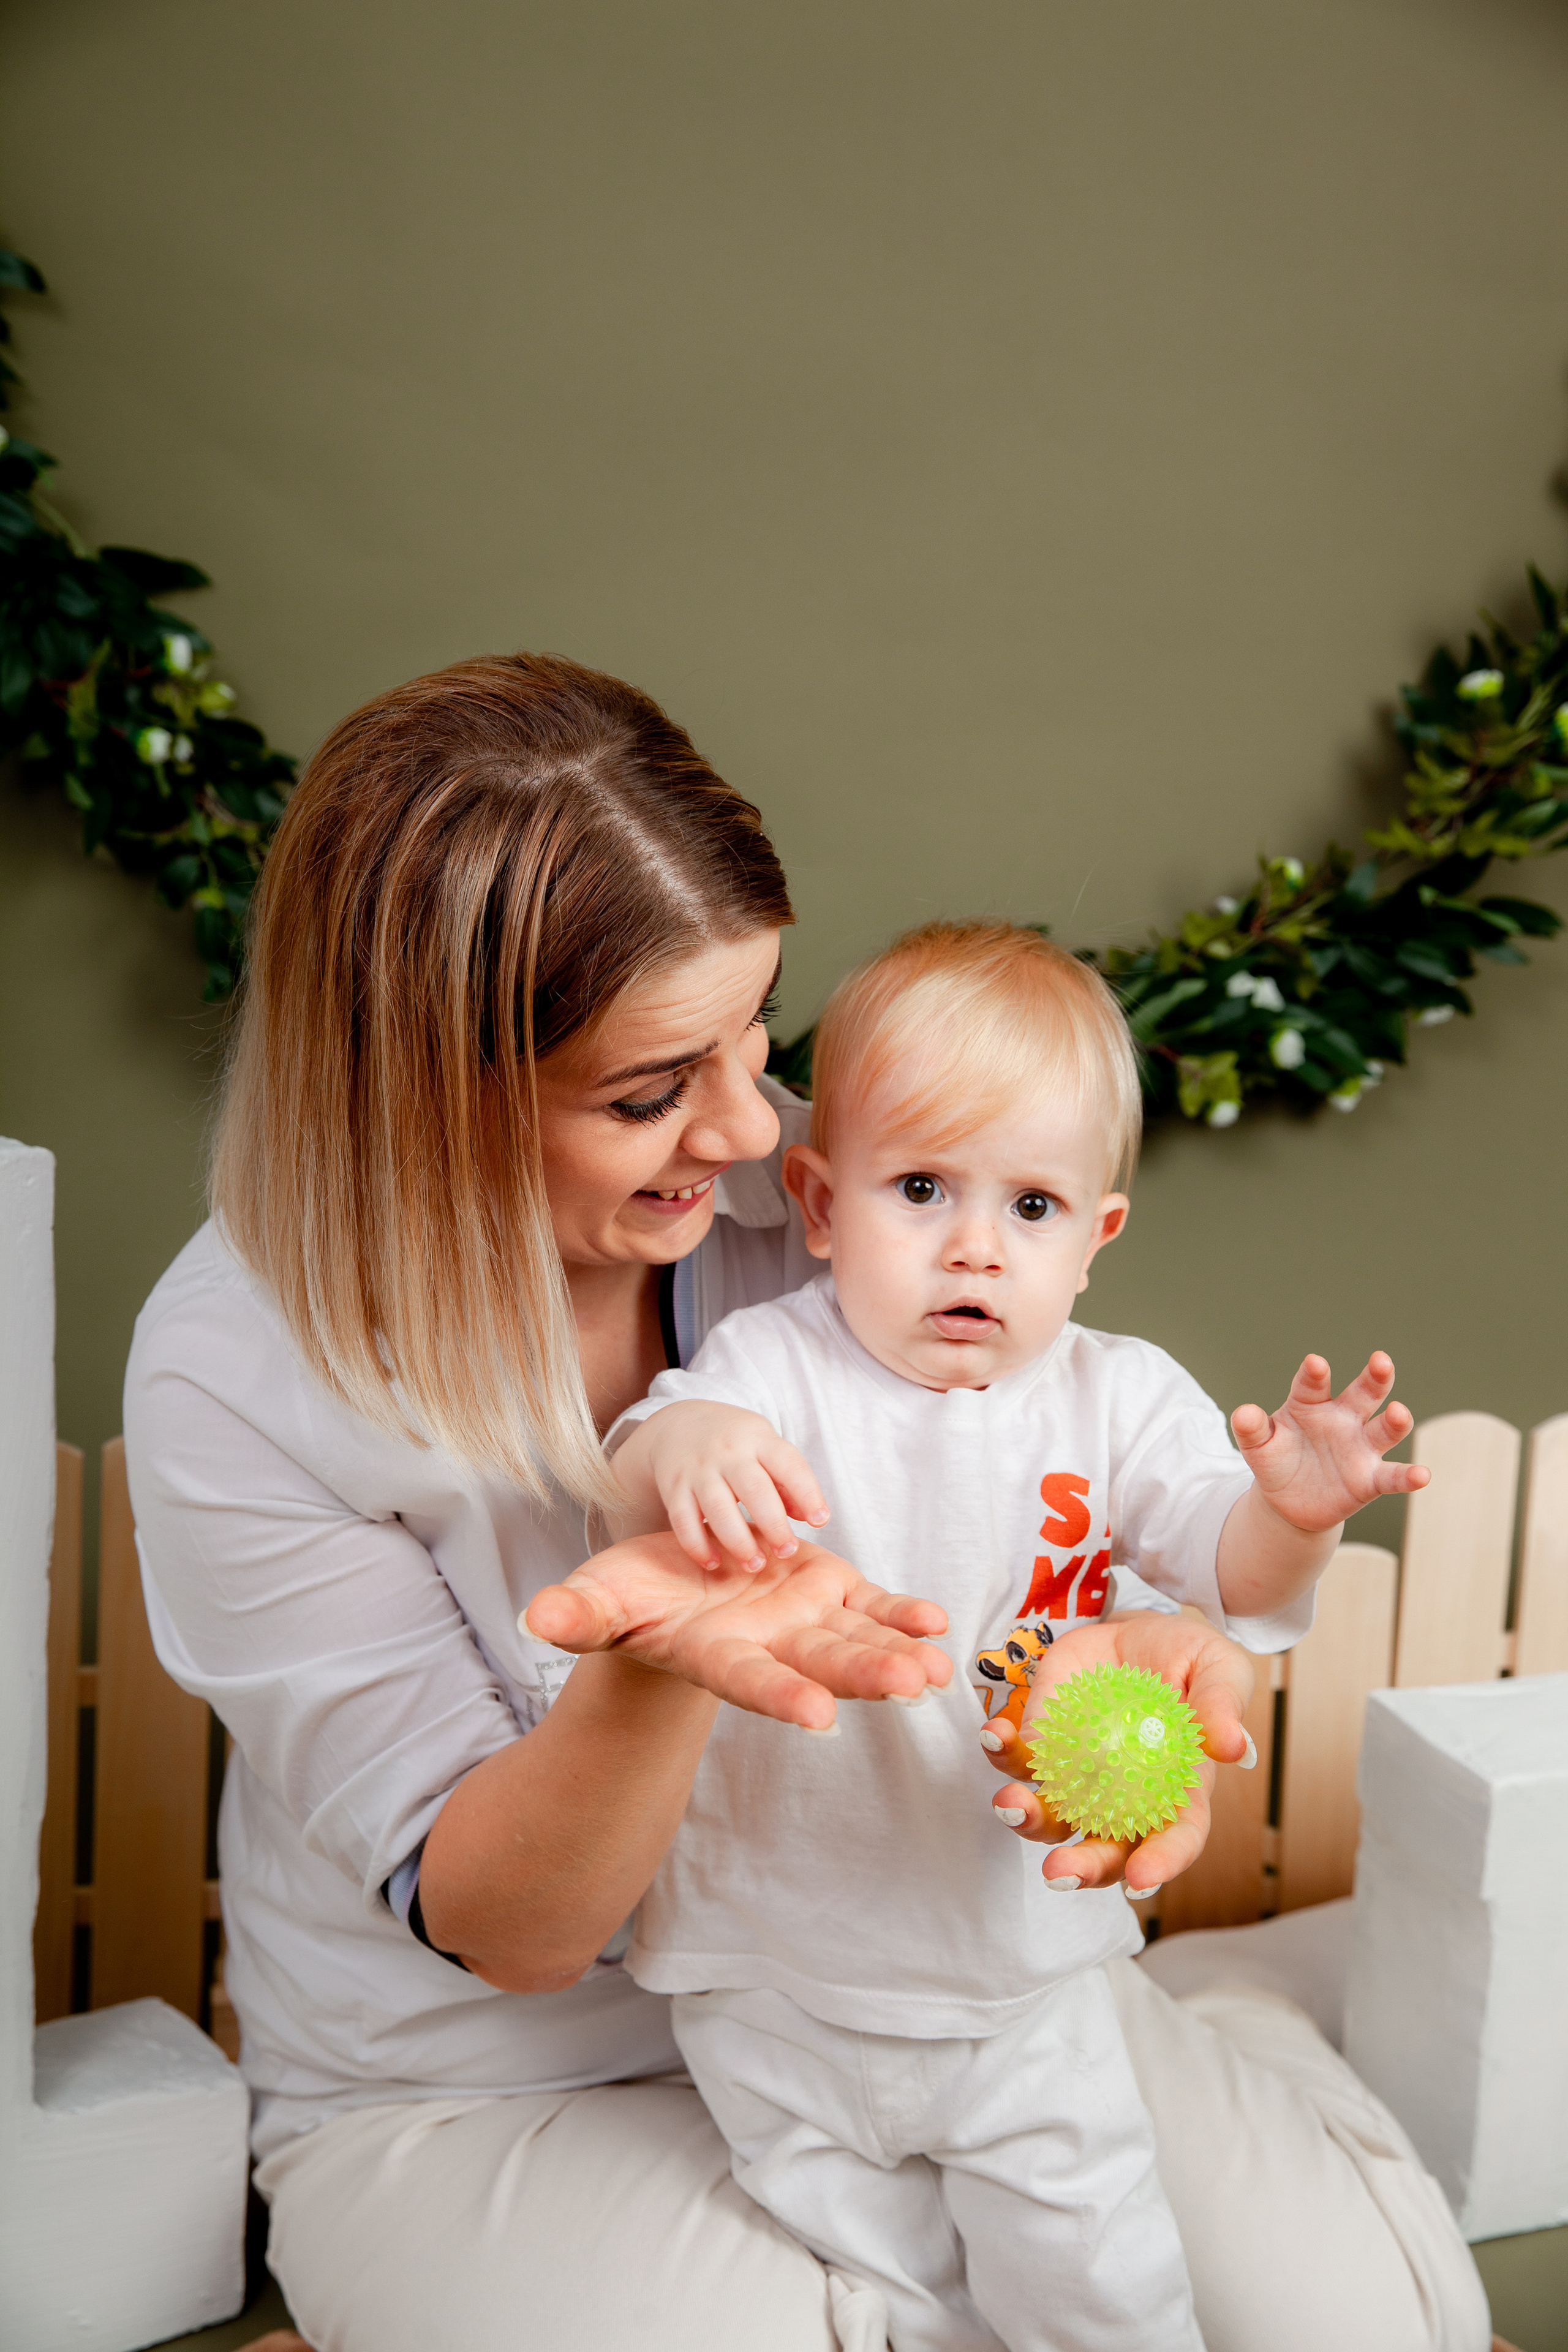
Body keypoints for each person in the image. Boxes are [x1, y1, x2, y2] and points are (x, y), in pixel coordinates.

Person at [122, 656, 1489, 2352]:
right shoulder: (232, 1369)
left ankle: (1240, 2032)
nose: (746, 1126)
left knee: (1362, 2323)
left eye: (751, 1033)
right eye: (646, 1093)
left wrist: (1144, 1651)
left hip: (919, 1975)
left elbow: (1070, 1498)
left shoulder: (830, 1190)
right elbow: (511, 1928)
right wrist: (660, 1664)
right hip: (500, 2073)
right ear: (425, 1098)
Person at [602, 919, 1428, 2352]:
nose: (974, 1246)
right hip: (771, 1973)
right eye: (919, 1188)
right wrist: (691, 1448)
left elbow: (1222, 1565)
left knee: (1097, 2271)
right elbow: (646, 1450)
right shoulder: (767, 1369)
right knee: (876, 2287)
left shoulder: (1116, 1402)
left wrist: (1291, 1514)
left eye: (1031, 1206)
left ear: (1095, 1236)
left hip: (1018, 1970)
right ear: (816, 1200)